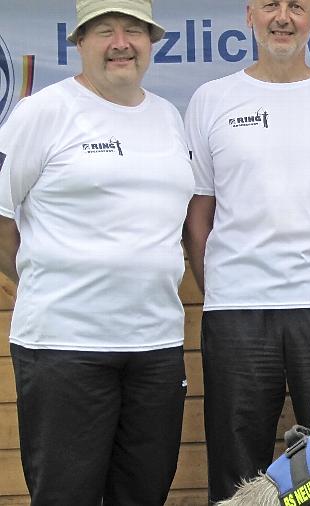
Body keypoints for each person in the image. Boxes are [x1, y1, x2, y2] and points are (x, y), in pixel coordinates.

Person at [0, 1, 194, 504]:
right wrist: (51, 279)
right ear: (80, 42)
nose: (120, 43)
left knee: (144, 493)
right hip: (64, 347)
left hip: (155, 347)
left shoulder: (168, 118)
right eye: (105, 31)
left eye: (133, 30)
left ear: (151, 42)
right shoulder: (42, 112)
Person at [182, 0, 310, 502]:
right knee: (236, 462)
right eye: (270, 5)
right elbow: (198, 213)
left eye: (296, 6)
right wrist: (220, 282)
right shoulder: (211, 99)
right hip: (237, 309)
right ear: (249, 16)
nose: (282, 17)